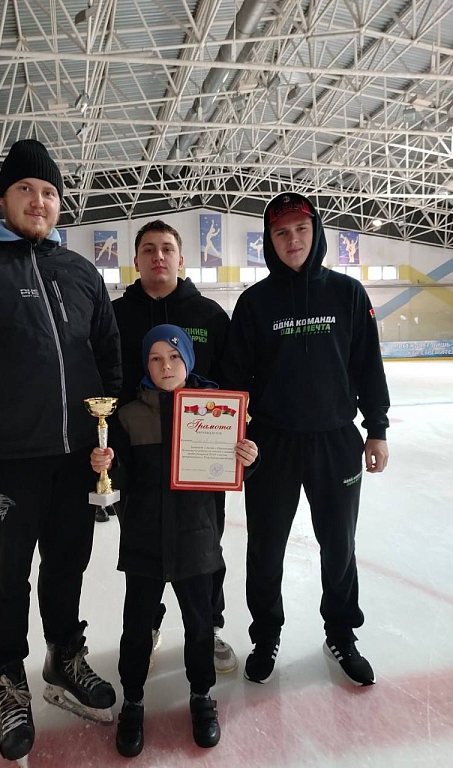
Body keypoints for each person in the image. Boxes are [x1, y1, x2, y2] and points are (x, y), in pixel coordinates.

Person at [0, 139, 122, 764]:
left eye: (50, 192)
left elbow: (109, 362)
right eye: (26, 189)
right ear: (4, 197)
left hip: (74, 459)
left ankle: (64, 655)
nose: (39, 200)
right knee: (7, 575)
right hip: (3, 464)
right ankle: (9, 678)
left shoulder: (81, 273)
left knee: (68, 563)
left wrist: (107, 440)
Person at [222, 192, 390, 688]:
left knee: (339, 545)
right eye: (281, 232)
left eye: (300, 229)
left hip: (336, 441)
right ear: (269, 241)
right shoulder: (254, 303)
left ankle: (341, 633)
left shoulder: (348, 293)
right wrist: (235, 436)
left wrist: (377, 428)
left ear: (315, 233)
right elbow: (235, 379)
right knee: (265, 547)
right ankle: (265, 636)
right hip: (271, 444)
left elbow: (368, 365)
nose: (292, 239)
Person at [90, 324, 258, 757]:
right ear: (145, 365)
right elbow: (121, 478)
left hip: (196, 541)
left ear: (189, 360)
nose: (166, 366)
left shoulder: (216, 411)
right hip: (144, 542)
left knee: (200, 627)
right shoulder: (128, 416)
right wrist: (106, 465)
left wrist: (248, 458)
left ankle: (201, 696)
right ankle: (133, 701)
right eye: (155, 358)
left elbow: (231, 470)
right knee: (136, 629)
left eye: (174, 356)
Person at [111, 220, 236, 674]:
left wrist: (233, 434)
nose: (158, 256)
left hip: (202, 458)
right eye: (148, 249)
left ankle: (210, 623)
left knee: (206, 544)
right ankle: (147, 622)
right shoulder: (115, 315)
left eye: (166, 248)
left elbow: (231, 380)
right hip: (139, 450)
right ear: (136, 261)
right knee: (143, 540)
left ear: (181, 259)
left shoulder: (209, 314)